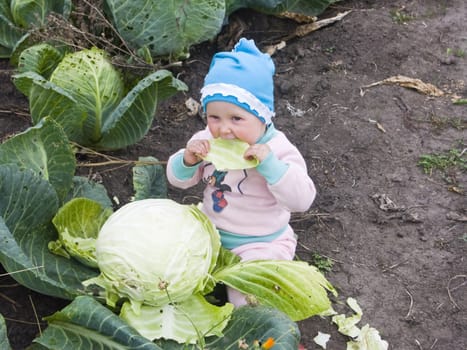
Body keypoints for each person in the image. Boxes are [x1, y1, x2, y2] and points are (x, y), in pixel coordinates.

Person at [166, 38, 316, 306]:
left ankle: (256, 337)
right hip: (209, 233)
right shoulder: (207, 140)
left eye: (236, 119)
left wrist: (270, 166)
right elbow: (179, 181)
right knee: (167, 272)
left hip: (259, 243)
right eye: (215, 117)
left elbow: (302, 200)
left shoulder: (277, 149)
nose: (224, 129)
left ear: (263, 115)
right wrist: (187, 159)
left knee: (248, 299)